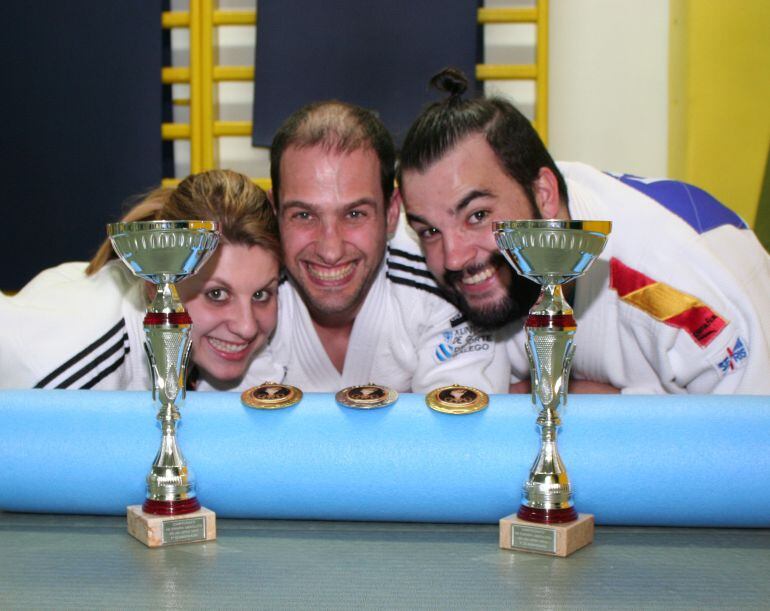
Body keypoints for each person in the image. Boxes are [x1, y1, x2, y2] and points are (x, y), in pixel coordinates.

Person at [397, 68, 770, 394]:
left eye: (477, 215)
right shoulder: (429, 256)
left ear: (544, 194)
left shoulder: (670, 287)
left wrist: (617, 408)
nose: (453, 256)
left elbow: (748, 454)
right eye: (429, 230)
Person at [265, 100, 509, 393]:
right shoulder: (247, 292)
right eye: (304, 215)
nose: (330, 251)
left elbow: (460, 433)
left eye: (355, 214)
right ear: (275, 213)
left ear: (392, 213)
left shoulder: (444, 282)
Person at [0, 169, 283, 391]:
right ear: (154, 284)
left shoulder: (199, 338)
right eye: (217, 295)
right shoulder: (72, 376)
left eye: (261, 294)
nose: (246, 327)